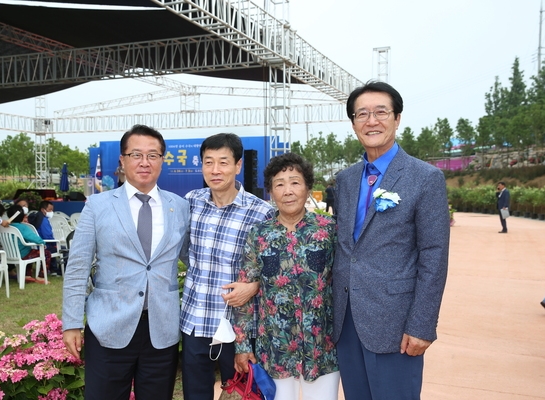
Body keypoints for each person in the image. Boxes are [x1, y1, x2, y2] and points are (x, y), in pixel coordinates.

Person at [333, 81, 450, 400]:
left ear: (397, 118)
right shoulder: (344, 180)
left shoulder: (425, 178)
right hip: (346, 322)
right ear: (354, 123)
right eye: (362, 114)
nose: (372, 121)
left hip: (396, 324)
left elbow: (434, 256)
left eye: (381, 112)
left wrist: (423, 325)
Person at [62, 124, 190, 400]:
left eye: (153, 155)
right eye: (136, 154)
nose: (145, 162)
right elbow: (77, 268)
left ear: (162, 160)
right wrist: (71, 322)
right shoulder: (98, 206)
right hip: (108, 325)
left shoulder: (179, 206)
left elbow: (192, 259)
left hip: (161, 329)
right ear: (122, 160)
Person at [233, 153, 339, 400]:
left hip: (322, 350)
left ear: (307, 187)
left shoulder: (328, 229)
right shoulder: (258, 235)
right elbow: (244, 292)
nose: (288, 191)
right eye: (279, 184)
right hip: (274, 351)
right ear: (270, 192)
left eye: (295, 182)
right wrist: (242, 345)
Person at [180, 133, 275, 400]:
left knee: (245, 394)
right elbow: (184, 252)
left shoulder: (261, 212)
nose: (215, 170)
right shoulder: (191, 202)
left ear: (238, 165)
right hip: (195, 320)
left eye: (223, 162)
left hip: (239, 327)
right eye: (208, 162)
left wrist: (255, 285)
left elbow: (275, 267)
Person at [5, 204, 50, 283]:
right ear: (22, 216)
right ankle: (41, 277)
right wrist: (42, 242)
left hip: (8, 255)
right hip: (23, 254)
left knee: (30, 251)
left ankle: (27, 275)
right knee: (46, 254)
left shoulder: (4, 227)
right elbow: (34, 238)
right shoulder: (23, 227)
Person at [28, 200, 62, 276]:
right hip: (44, 245)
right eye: (50, 210)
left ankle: (52, 268)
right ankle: (59, 270)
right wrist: (55, 243)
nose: (51, 212)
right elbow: (48, 236)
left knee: (53, 246)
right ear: (43, 210)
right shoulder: (43, 220)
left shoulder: (34, 218)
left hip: (35, 246)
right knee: (63, 248)